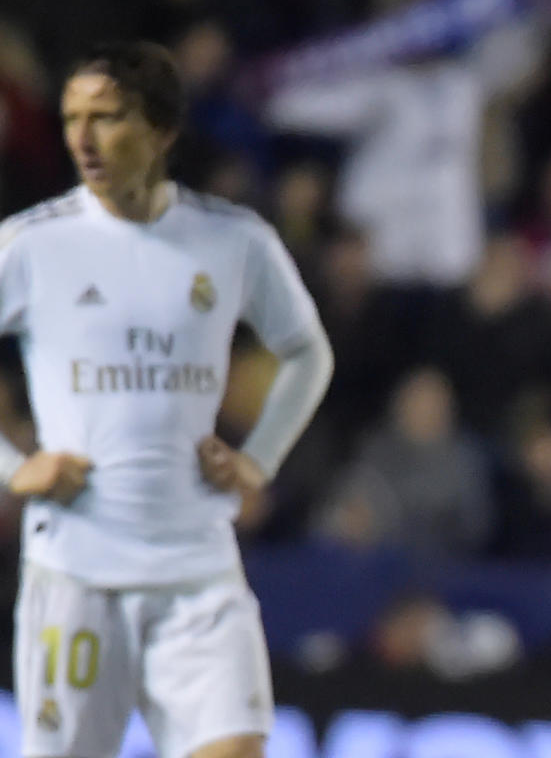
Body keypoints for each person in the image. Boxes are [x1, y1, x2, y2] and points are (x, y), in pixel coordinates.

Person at [0, 41, 334, 758]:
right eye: (71, 118)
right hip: (78, 572)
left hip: (199, 572)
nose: (82, 139)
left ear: (161, 131)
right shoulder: (32, 245)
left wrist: (260, 458)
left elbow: (309, 352)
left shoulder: (233, 240)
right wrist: (10, 466)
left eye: (108, 117)